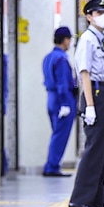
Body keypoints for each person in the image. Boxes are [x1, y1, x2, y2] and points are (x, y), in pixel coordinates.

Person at [68, 0, 104, 207]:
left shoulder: (98, 38)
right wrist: (89, 105)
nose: (103, 16)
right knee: (94, 148)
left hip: (103, 92)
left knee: (103, 148)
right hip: (95, 94)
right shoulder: (88, 39)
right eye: (98, 13)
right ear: (89, 16)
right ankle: (80, 199)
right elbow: (84, 73)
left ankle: (97, 199)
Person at [41, 26, 78, 177]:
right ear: (65, 40)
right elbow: (63, 83)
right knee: (60, 135)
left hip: (51, 98)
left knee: (56, 133)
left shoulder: (48, 57)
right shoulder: (61, 59)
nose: (69, 43)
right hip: (63, 99)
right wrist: (65, 104)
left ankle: (52, 164)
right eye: (69, 39)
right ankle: (52, 166)